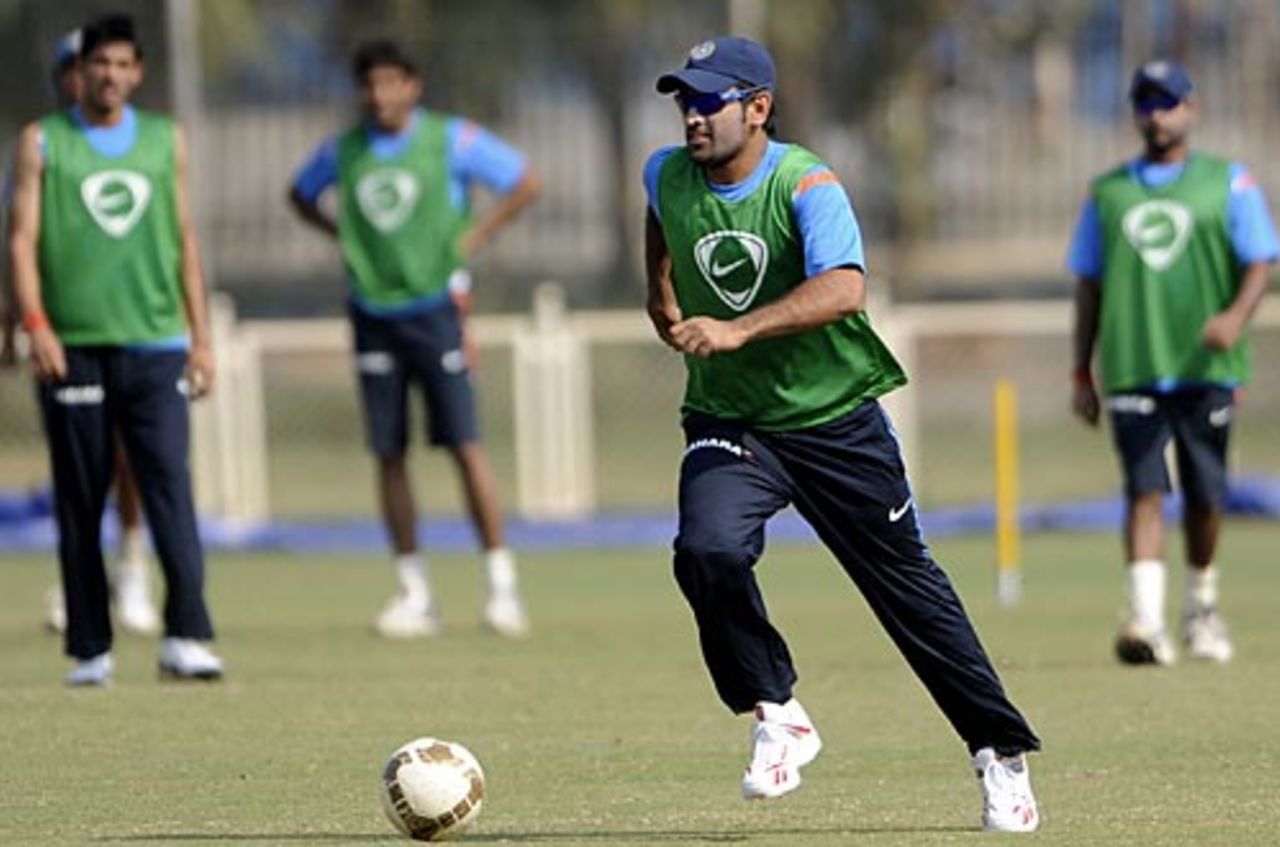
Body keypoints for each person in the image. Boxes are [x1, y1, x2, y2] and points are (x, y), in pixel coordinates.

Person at [643, 36, 1040, 831]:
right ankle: (777, 709)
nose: (693, 115)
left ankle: (999, 751)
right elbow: (661, 223)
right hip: (732, 419)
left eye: (710, 100)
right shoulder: (664, 172)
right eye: (685, 100)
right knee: (707, 549)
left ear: (759, 108)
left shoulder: (806, 183)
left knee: (908, 591)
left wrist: (736, 329)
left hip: (835, 423)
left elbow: (843, 290)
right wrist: (662, 299)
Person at [288, 39, 540, 639]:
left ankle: (501, 587)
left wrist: (475, 237)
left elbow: (524, 182)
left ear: (413, 85)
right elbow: (299, 193)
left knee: (465, 445)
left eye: (391, 82)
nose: (381, 95)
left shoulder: (450, 139)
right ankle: (413, 592)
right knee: (389, 452)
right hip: (373, 312)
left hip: (436, 311)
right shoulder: (345, 150)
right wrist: (343, 236)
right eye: (370, 85)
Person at [7, 13, 224, 685]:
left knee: (169, 487)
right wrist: (36, 324)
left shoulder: (165, 139)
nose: (109, 75)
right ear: (82, 71)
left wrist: (201, 337)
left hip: (156, 342)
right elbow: (20, 239)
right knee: (80, 496)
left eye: (122, 64)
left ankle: (186, 635)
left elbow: (183, 236)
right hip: (72, 346)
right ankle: (90, 647)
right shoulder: (43, 142)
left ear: (138, 72)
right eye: (98, 64)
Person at [1068, 61, 1278, 667]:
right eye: (1147, 103)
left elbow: (1260, 261)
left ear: (1191, 108)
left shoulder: (1227, 182)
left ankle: (1202, 610)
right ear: (1135, 113)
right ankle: (1146, 621)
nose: (1158, 114)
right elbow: (1088, 285)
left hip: (1208, 367)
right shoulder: (1108, 193)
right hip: (1134, 364)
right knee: (1144, 491)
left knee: (1207, 495)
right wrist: (1081, 370)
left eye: (1168, 102)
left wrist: (1235, 316)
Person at [0, 27, 161, 638]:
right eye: (72, 69)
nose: (83, 78)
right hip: (61, 334)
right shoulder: (40, 147)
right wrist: (15, 316)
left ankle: (133, 568)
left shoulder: (141, 144)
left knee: (130, 457)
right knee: (78, 462)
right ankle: (83, 582)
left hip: (130, 329)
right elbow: (16, 242)